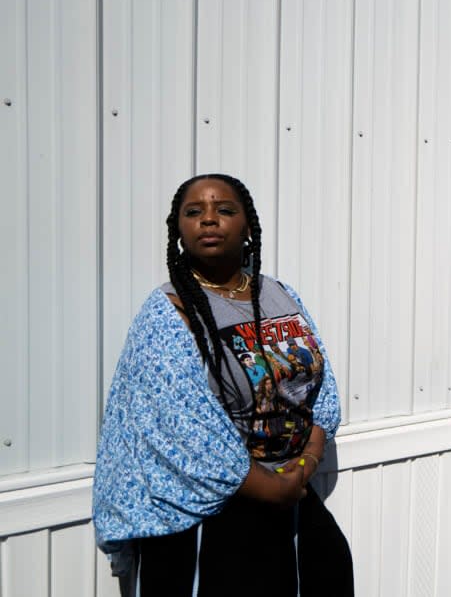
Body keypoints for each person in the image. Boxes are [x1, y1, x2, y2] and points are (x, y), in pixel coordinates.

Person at [92, 174, 354, 597]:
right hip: (214, 517)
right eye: (193, 212)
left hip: (291, 493)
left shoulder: (279, 295)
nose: (209, 220)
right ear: (178, 230)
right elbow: (182, 428)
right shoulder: (168, 312)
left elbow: (320, 383)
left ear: (248, 226)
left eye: (224, 210)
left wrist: (307, 458)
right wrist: (272, 487)